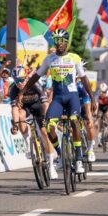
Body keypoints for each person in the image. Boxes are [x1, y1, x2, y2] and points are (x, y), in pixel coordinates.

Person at [18, 29, 97, 175]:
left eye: (62, 41)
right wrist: (22, 92)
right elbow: (35, 77)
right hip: (58, 99)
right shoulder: (49, 58)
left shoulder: (75, 58)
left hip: (72, 96)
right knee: (49, 126)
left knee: (74, 121)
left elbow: (84, 79)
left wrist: (92, 98)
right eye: (56, 41)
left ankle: (79, 158)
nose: (59, 44)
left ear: (66, 43)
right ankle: (60, 155)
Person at [77, 78, 96, 162]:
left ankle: (91, 149)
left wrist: (89, 118)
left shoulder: (80, 87)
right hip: (72, 107)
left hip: (83, 105)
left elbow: (87, 104)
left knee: (89, 125)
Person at [96, 82, 108, 147]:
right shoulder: (98, 93)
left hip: (106, 107)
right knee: (100, 123)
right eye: (102, 92)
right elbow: (96, 103)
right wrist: (96, 112)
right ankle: (99, 140)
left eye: (104, 92)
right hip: (100, 107)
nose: (103, 93)